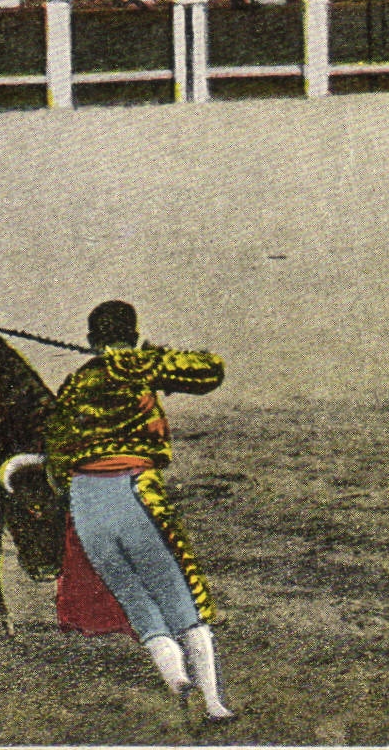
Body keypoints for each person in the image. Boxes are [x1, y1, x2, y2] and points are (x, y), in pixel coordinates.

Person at [43, 300, 234, 723]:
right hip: (135, 491)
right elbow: (210, 370)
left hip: (87, 500)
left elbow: (55, 447)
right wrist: (146, 355)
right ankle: (214, 702)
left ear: (92, 341)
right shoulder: (140, 366)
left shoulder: (77, 382)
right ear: (131, 334)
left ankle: (177, 682)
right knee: (179, 595)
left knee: (134, 595)